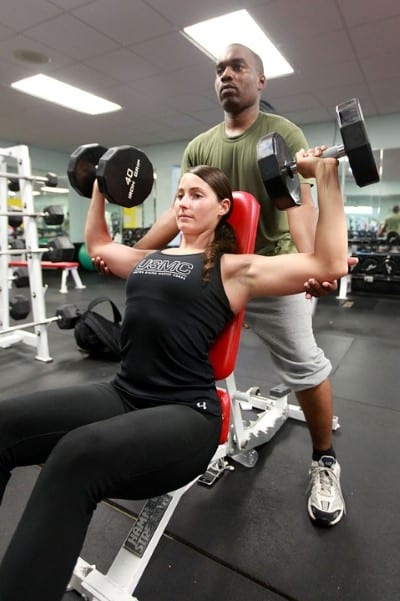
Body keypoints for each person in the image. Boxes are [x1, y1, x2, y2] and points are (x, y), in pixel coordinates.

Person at [0, 155, 347, 601]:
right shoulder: (148, 259)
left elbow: (328, 263)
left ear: (224, 208)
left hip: (186, 413)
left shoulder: (234, 268)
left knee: (74, 456)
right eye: (179, 194)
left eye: (196, 194)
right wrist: (102, 188)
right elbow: (99, 244)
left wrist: (326, 177)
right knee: (5, 421)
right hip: (123, 393)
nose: (183, 202)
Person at [134, 43, 352, 527]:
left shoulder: (282, 133)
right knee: (186, 359)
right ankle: (189, 441)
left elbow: (298, 204)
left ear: (260, 81)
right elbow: (179, 212)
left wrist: (309, 263)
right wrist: (140, 255)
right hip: (210, 273)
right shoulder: (200, 145)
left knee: (304, 363)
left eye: (238, 67)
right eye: (219, 69)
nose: (226, 75)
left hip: (270, 269)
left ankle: (324, 459)